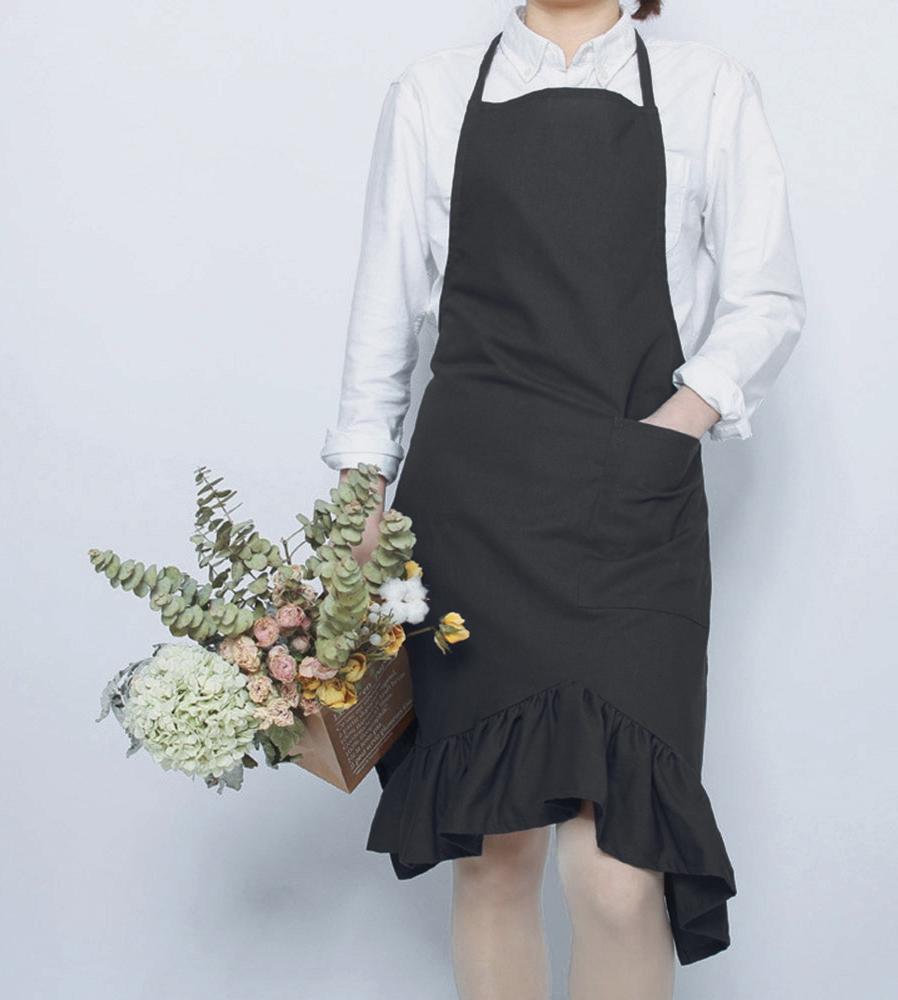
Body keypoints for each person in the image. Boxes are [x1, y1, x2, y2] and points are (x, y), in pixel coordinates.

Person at [320, 1, 805, 997]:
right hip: (471, 510)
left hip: (633, 511)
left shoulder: (709, 87)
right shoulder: (430, 91)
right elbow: (384, 312)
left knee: (621, 881)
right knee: (496, 859)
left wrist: (674, 425)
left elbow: (767, 299)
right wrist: (359, 500)